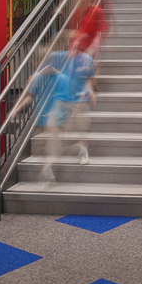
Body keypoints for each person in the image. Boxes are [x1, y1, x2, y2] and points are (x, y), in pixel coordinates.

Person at [40, 42, 97, 185]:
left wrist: (90, 91)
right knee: (53, 130)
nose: (73, 49)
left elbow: (90, 79)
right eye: (71, 46)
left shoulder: (87, 60)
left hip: (80, 98)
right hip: (62, 99)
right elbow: (48, 60)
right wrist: (38, 75)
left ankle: (83, 152)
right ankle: (49, 165)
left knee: (82, 125)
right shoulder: (60, 56)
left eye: (77, 46)